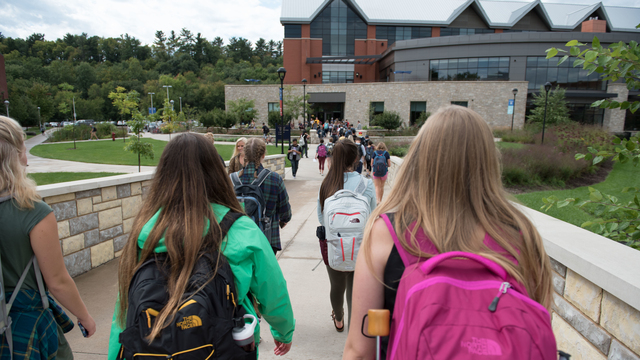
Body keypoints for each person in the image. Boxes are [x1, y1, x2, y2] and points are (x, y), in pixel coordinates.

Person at [343, 106, 554, 359]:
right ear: (488, 162)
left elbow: (361, 350)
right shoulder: (520, 236)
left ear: (420, 158)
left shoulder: (388, 233)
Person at [108, 133, 295, 359]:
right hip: (224, 348)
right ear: (216, 172)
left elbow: (125, 308)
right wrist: (283, 332)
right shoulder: (240, 229)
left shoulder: (146, 229)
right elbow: (272, 290)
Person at [0, 116, 96, 359]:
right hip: (26, 323)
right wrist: (84, 316)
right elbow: (57, 281)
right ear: (16, 154)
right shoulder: (31, 210)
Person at [317, 139, 376, 334]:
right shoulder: (366, 184)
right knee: (354, 287)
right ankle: (353, 329)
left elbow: (321, 216)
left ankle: (339, 318)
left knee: (336, 285)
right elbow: (373, 214)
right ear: (357, 158)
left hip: (333, 244)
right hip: (360, 244)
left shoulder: (327, 184)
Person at [241, 138, 292, 255]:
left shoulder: (233, 179)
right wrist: (283, 220)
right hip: (267, 237)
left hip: (240, 237)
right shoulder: (274, 178)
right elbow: (285, 210)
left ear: (245, 154)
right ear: (263, 155)